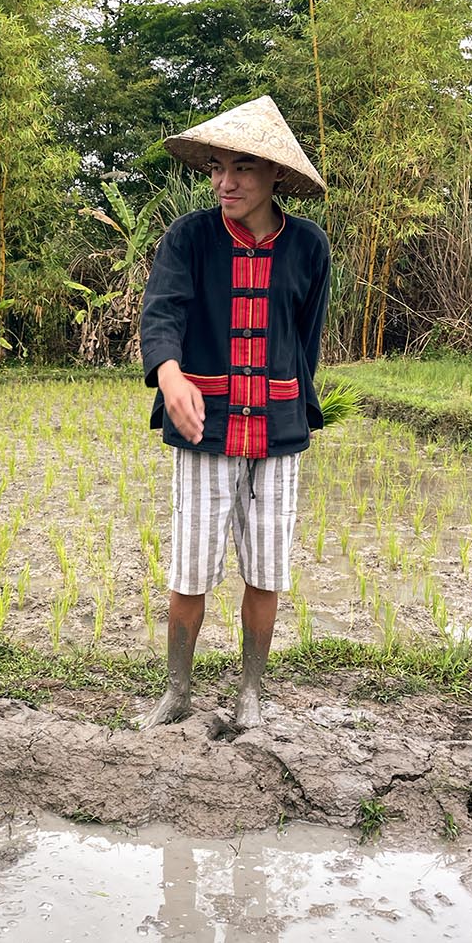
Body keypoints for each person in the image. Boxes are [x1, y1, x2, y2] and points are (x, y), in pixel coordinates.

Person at [139, 95, 329, 733]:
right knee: (191, 566)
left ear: (276, 173)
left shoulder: (308, 246)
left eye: (242, 168)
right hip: (205, 431)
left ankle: (251, 691)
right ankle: (178, 691)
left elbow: (305, 340)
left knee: (267, 567)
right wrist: (170, 377)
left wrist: (300, 407)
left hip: (277, 430)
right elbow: (161, 314)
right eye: (217, 167)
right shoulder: (189, 238)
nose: (225, 181)